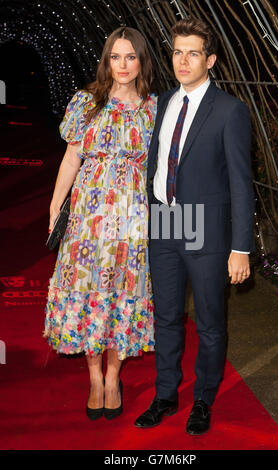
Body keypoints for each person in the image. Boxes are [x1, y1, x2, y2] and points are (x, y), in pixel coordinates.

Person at [134, 18, 255, 435]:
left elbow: (242, 182)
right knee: (165, 316)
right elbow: (157, 165)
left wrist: (241, 247)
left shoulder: (230, 111)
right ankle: (166, 394)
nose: (183, 60)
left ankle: (203, 397)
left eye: (193, 53)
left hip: (205, 228)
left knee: (208, 320)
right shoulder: (165, 101)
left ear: (211, 60)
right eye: (177, 52)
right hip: (166, 221)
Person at [44, 27, 156, 421]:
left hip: (132, 218)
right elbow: (72, 159)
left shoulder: (152, 109)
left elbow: (160, 169)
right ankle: (94, 377)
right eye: (115, 56)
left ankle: (113, 376)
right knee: (87, 293)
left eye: (130, 57)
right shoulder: (86, 101)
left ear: (142, 60)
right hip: (89, 218)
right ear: (106, 60)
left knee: (121, 295)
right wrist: (56, 206)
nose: (122, 65)